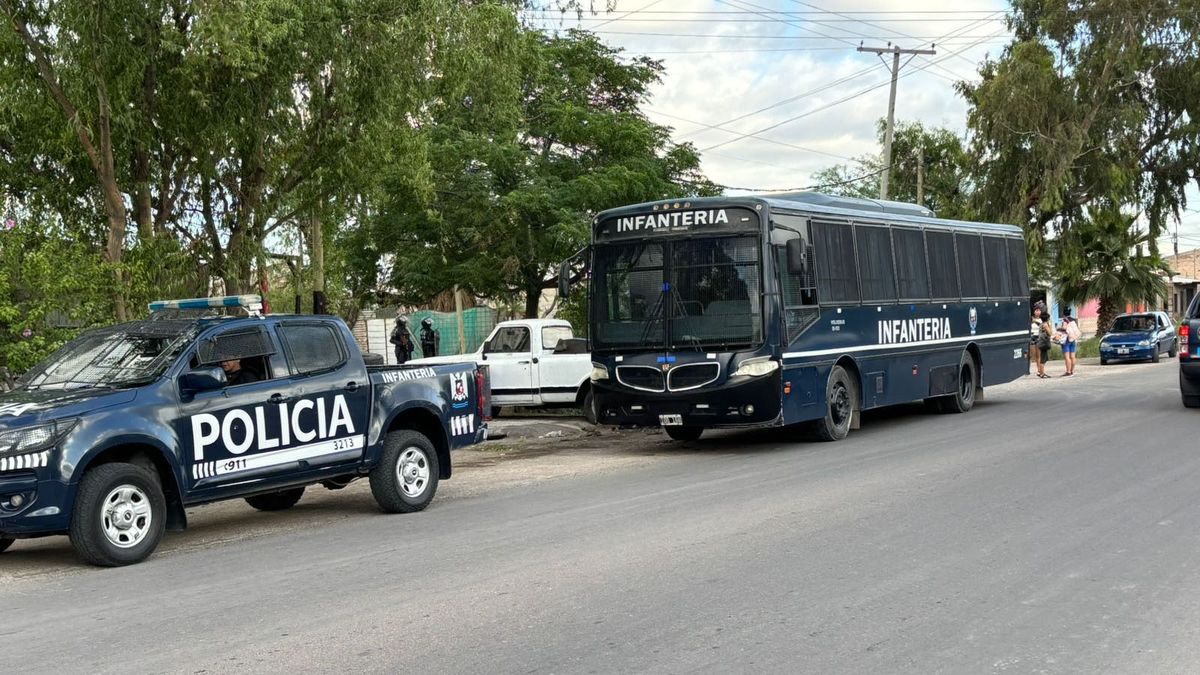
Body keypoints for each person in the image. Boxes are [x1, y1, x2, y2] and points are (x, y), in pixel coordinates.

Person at [1060, 311, 1081, 376]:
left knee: (1067, 357)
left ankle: (1068, 371)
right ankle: (1072, 370)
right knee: (1073, 356)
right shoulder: (1074, 320)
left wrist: (1059, 329)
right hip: (1073, 339)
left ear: (1063, 314)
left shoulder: (1065, 321)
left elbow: (1064, 329)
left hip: (1067, 340)